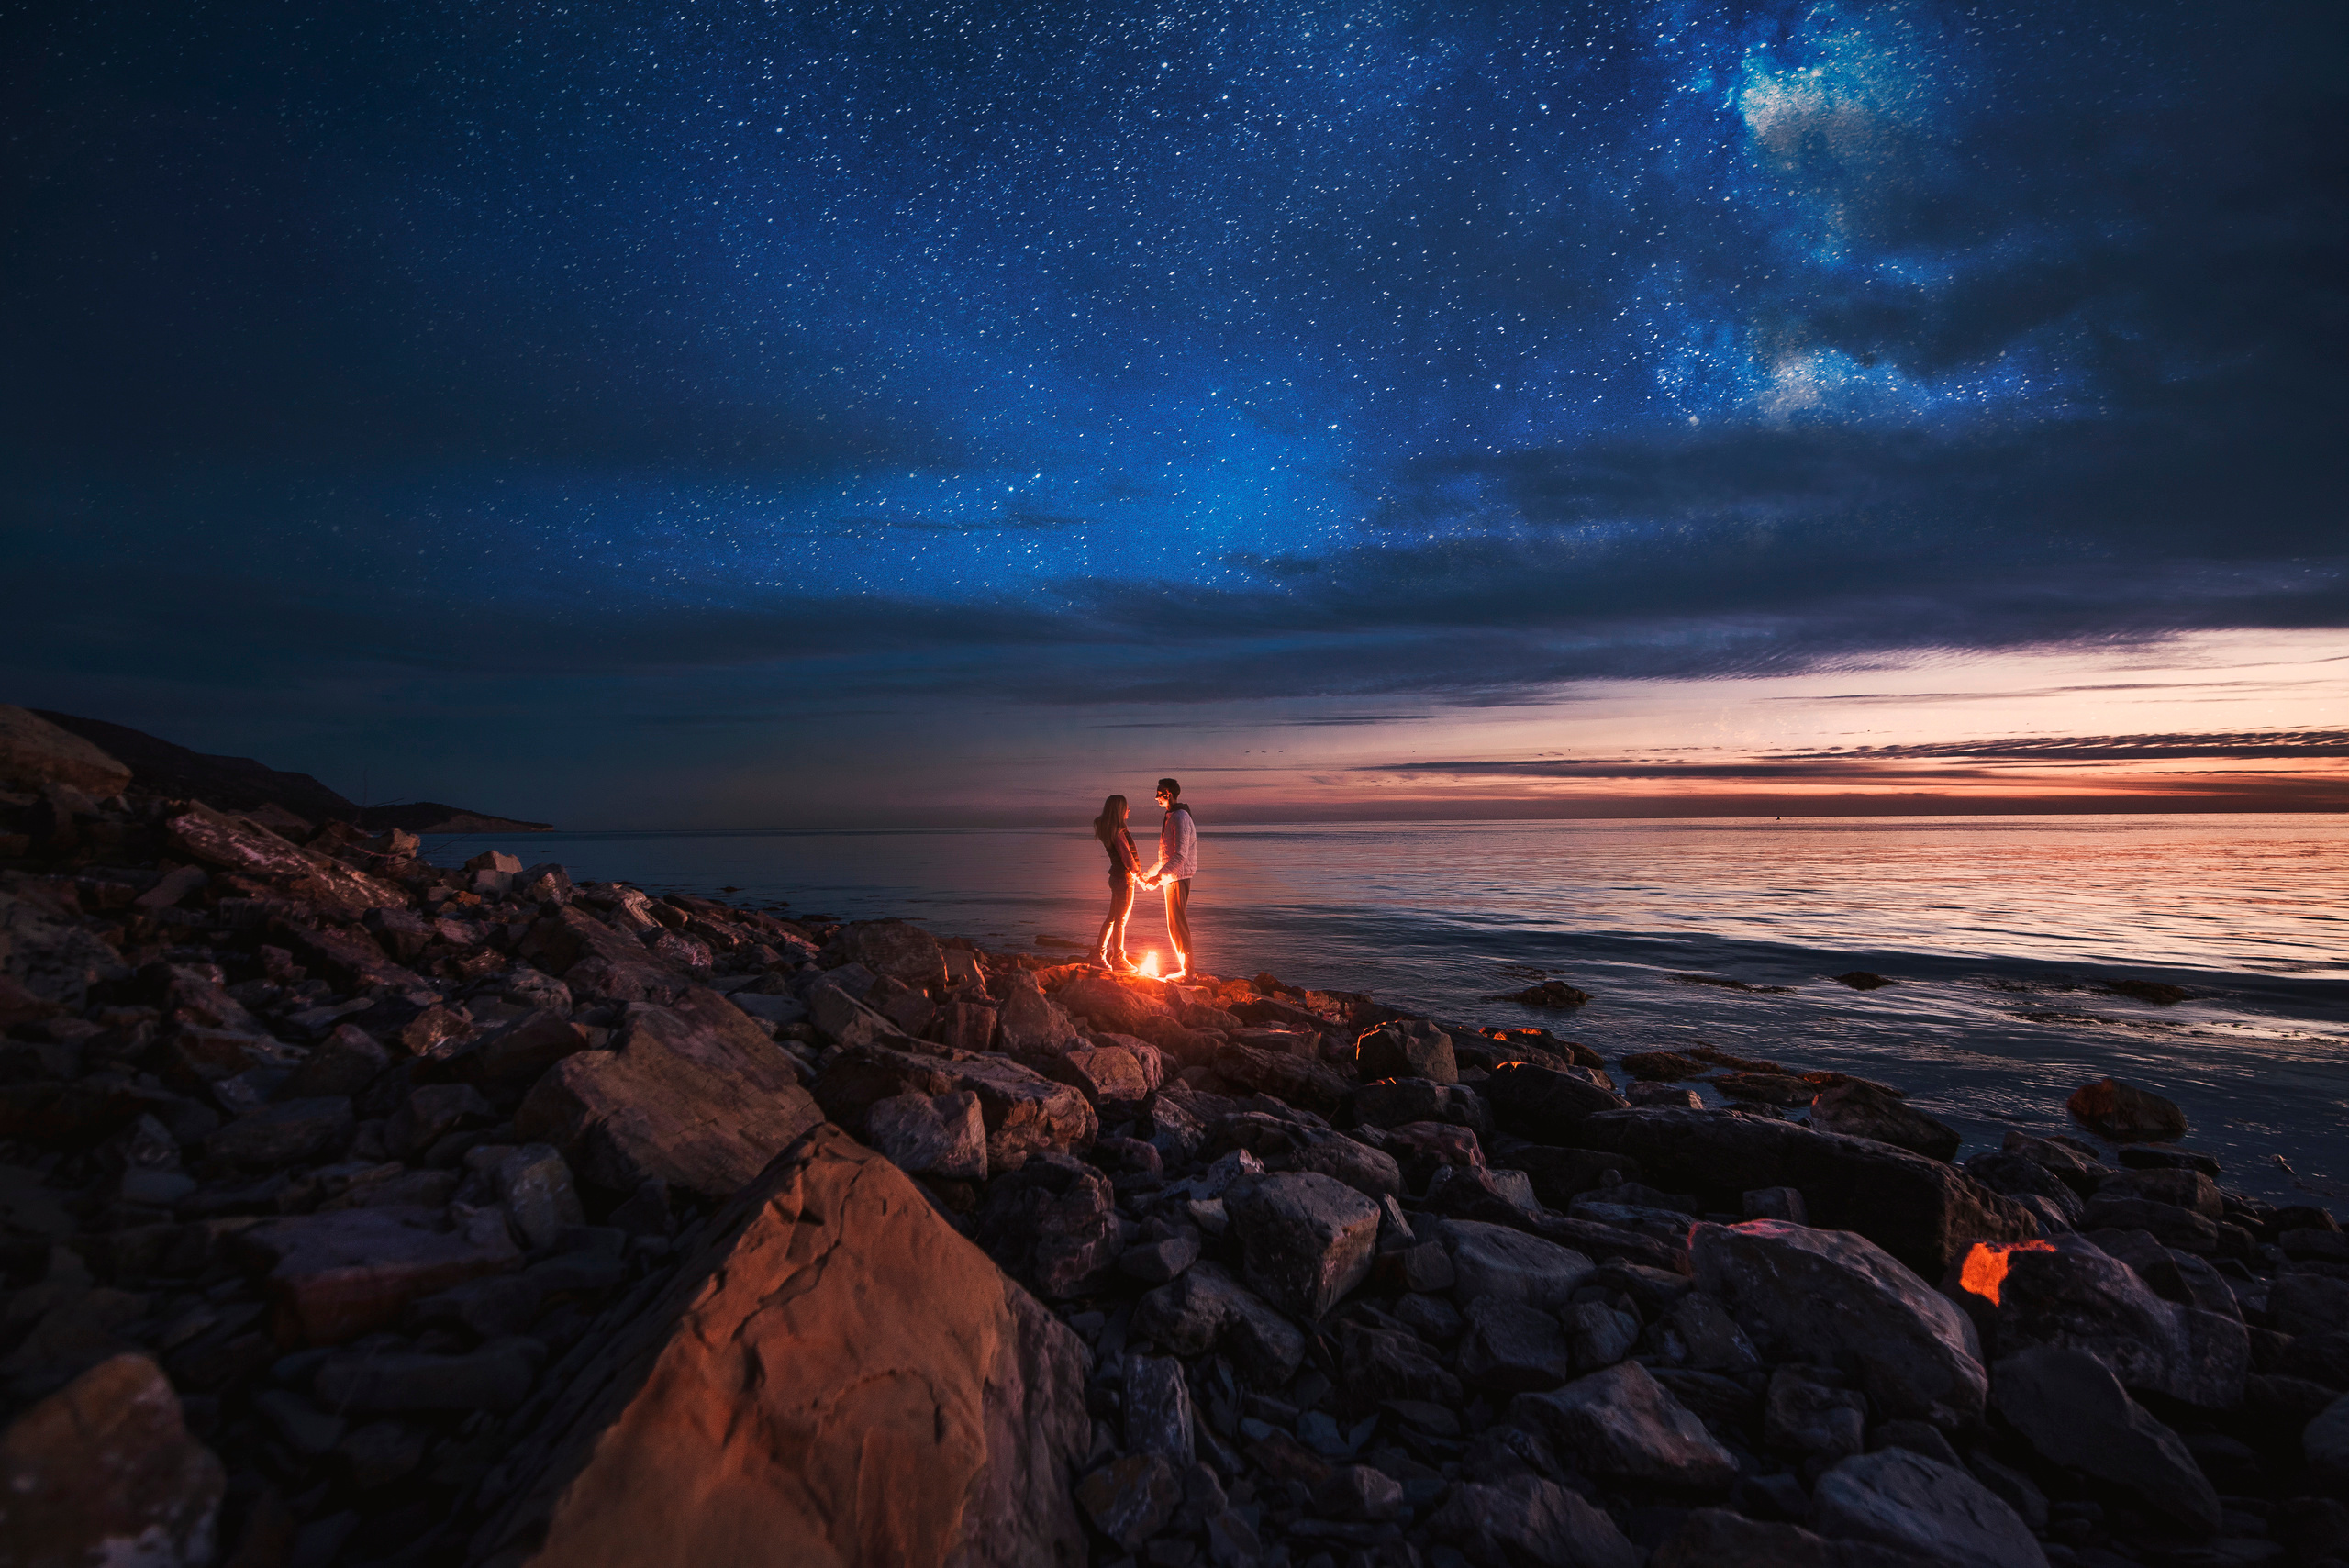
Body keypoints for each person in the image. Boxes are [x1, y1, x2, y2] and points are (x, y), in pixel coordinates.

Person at [1140, 777, 1197, 978]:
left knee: (1178, 925)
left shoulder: (1180, 818)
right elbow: (1168, 855)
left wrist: (1159, 877)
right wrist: (1150, 873)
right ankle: (1186, 970)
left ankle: (1188, 973)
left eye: (1159, 792)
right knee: (1174, 925)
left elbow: (1180, 855)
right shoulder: (1173, 816)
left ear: (1169, 793)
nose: (1156, 797)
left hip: (1177, 878)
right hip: (1172, 878)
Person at [1091, 794, 1143, 971]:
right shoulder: (1119, 832)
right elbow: (1127, 857)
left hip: (1115, 878)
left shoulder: (1109, 830)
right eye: (1126, 807)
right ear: (1119, 810)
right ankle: (1118, 959)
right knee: (1120, 921)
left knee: (1112, 920)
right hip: (1124, 880)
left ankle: (1098, 956)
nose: (1129, 810)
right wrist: (1139, 875)